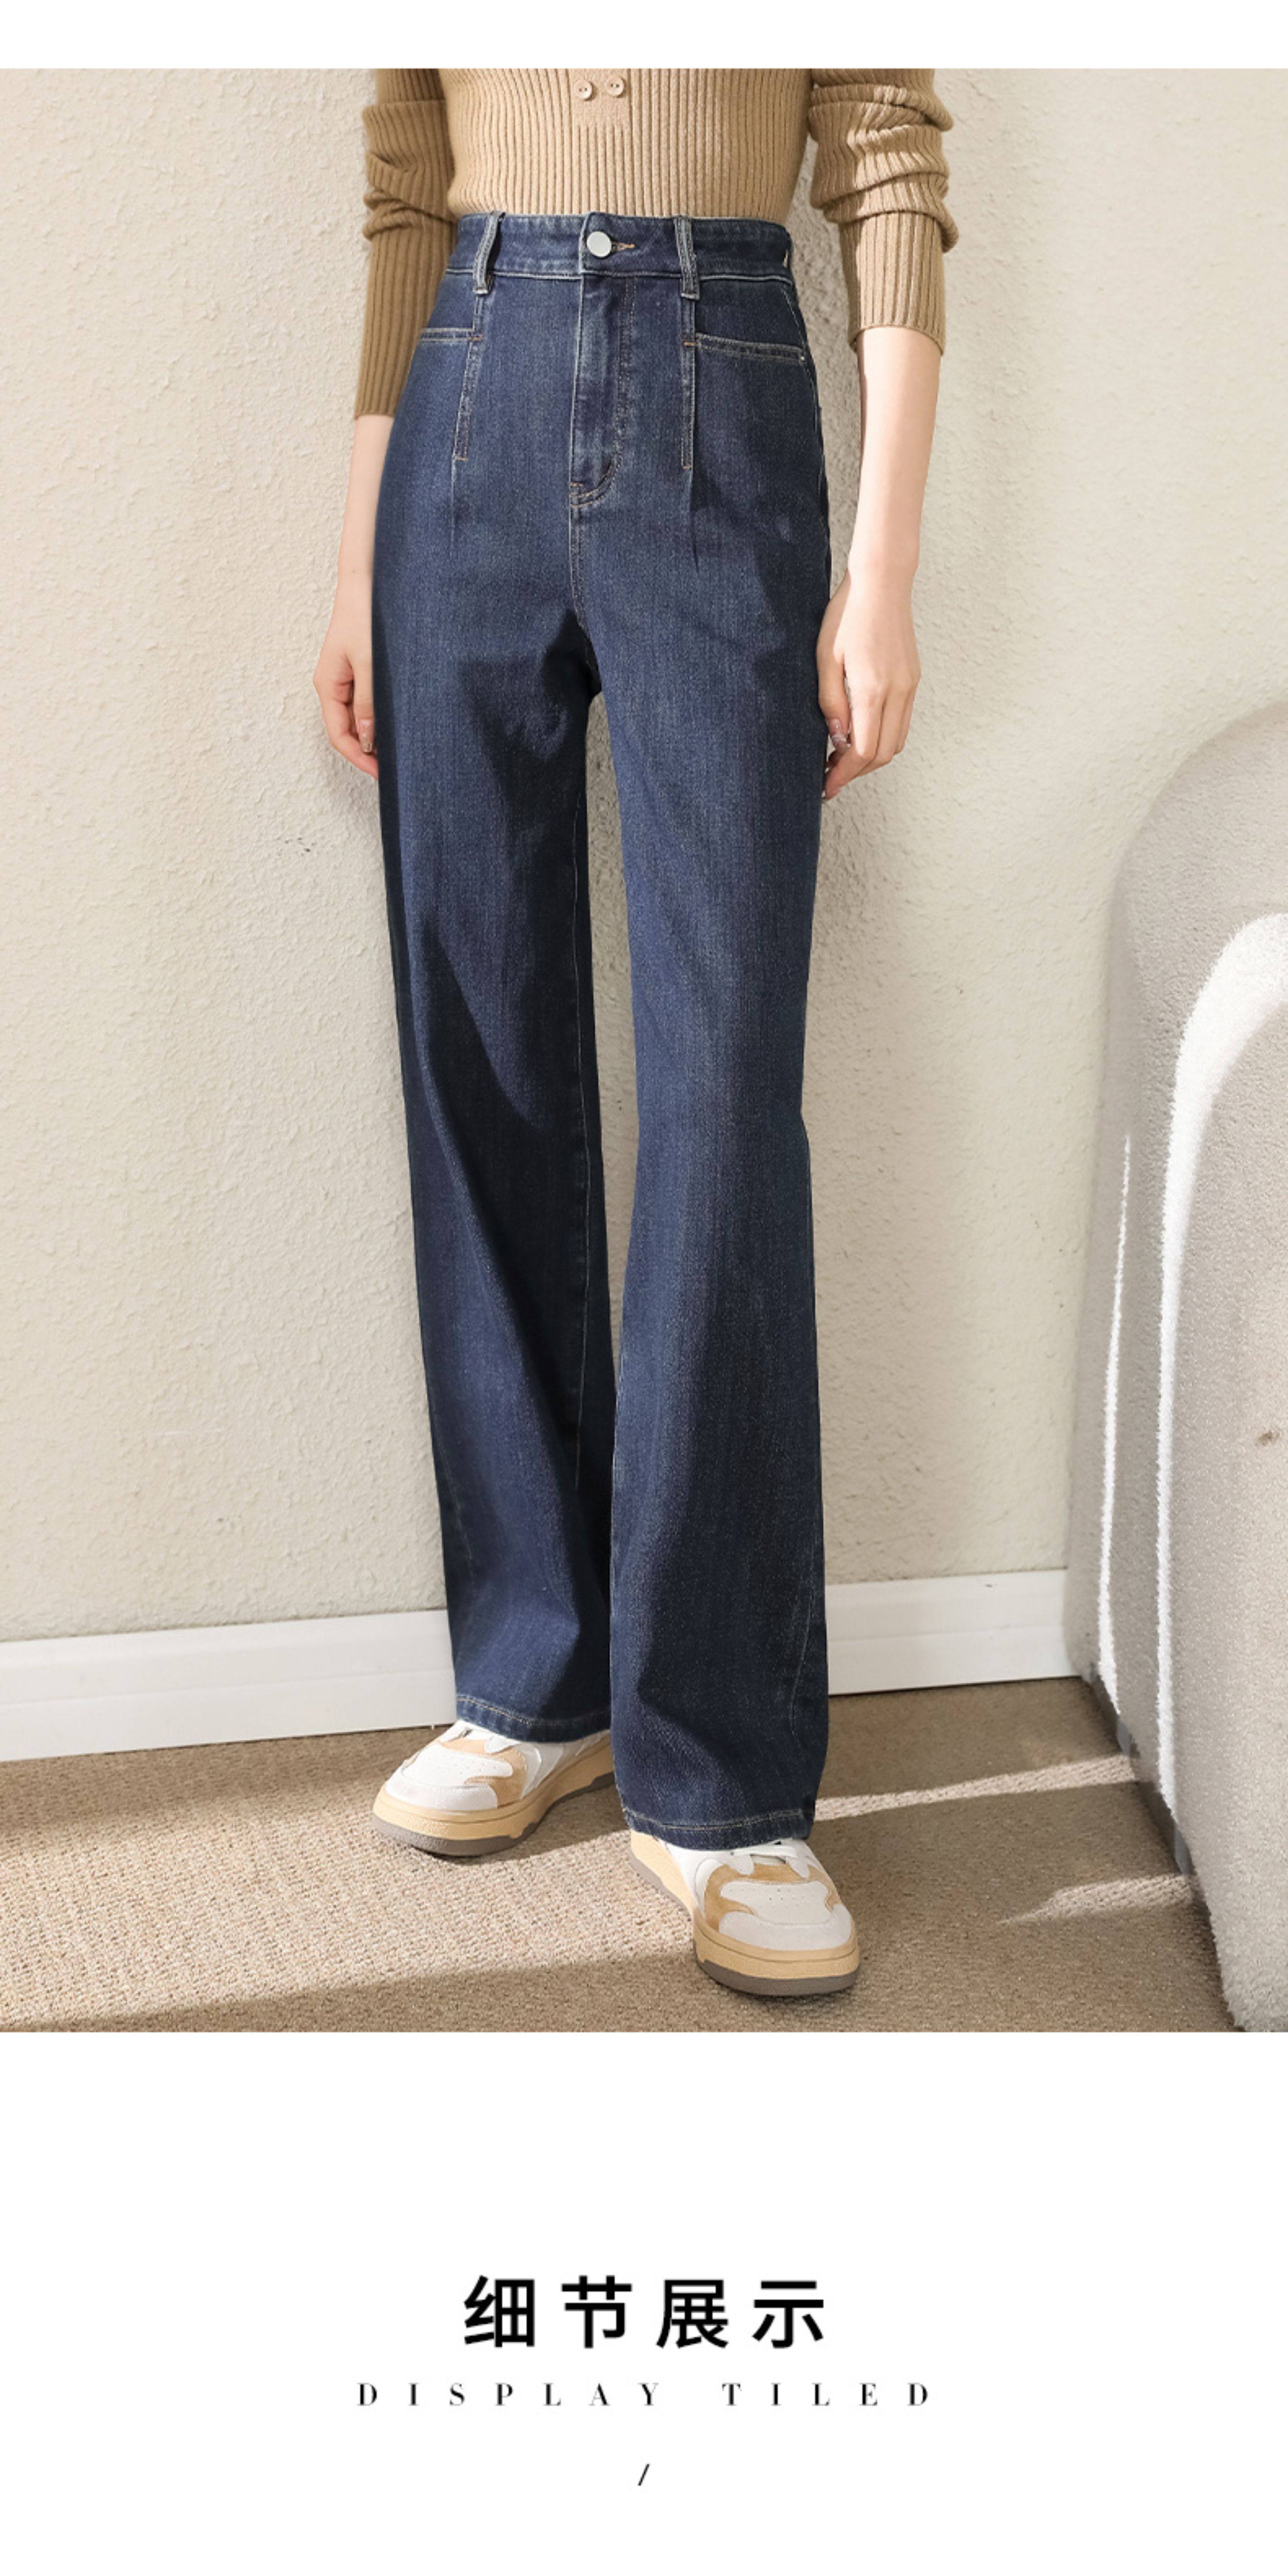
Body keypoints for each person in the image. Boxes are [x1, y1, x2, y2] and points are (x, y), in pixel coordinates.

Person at [314, 71, 955, 1999]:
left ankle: (727, 1776)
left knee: (726, 1094)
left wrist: (884, 570)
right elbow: (406, 186)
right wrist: (354, 559)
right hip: (462, 404)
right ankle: (538, 1681)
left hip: (724, 382)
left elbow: (890, 164)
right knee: (481, 1067)